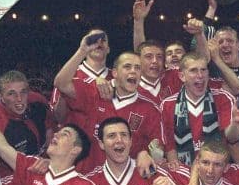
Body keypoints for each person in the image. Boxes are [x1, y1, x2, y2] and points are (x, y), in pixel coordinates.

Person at [53, 31, 163, 174]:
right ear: (115, 73)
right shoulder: (96, 92)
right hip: (89, 176)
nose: (133, 71)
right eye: (127, 67)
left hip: (127, 181)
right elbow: (60, 83)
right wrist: (82, 51)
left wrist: (147, 153)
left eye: (137, 68)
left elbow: (158, 148)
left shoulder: (150, 108)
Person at [160, 52, 239, 168]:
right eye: (193, 70)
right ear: (182, 76)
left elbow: (231, 139)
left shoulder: (223, 98)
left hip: (218, 168)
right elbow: (170, 146)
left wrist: (236, 122)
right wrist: (179, 173)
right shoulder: (167, 105)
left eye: (203, 70)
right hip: (184, 169)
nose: (200, 75)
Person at [51, 27, 114, 125]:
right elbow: (57, 117)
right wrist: (65, 93)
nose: (99, 43)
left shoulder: (117, 77)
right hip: (76, 137)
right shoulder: (68, 75)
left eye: (103, 40)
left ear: (108, 49)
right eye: (93, 40)